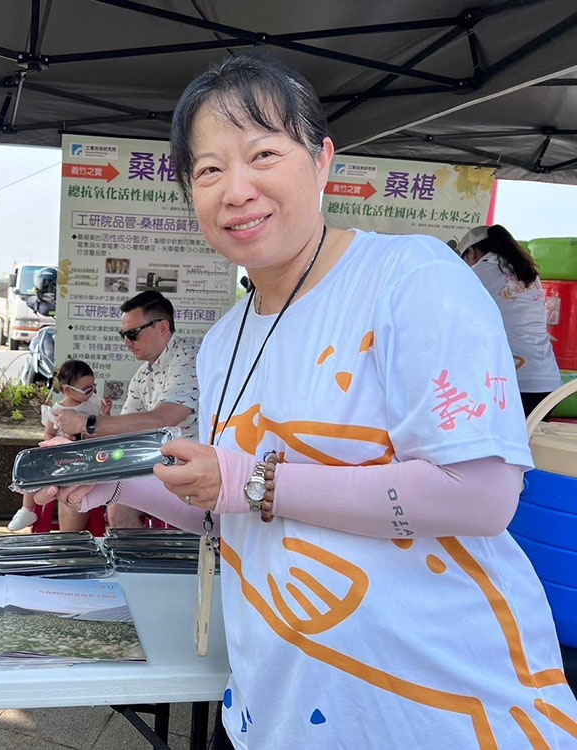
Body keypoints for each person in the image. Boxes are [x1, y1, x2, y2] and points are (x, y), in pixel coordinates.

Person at [33, 54, 577, 749]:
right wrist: (114, 475)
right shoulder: (225, 339)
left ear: (322, 160)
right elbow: (230, 511)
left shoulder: (411, 277)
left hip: (440, 717)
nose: (237, 189)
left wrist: (254, 481)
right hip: (280, 713)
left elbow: (479, 495)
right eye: (208, 171)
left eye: (263, 153)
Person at [55, 290, 199, 528]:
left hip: (190, 467)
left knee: (118, 504)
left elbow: (164, 419)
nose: (126, 343)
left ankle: (139, 563)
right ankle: (67, 554)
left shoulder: (189, 360)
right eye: (123, 334)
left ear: (162, 327)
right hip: (153, 463)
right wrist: (77, 440)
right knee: (74, 476)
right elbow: (125, 431)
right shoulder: (143, 375)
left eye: (132, 334)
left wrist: (87, 423)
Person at [460, 224, 562, 415]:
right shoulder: (527, 273)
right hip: (548, 381)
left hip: (516, 382)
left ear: (472, 252)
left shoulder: (479, 273)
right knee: (533, 442)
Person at [7, 358, 110, 532]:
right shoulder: (56, 410)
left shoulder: (94, 403)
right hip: (61, 455)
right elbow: (48, 434)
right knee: (32, 466)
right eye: (86, 389)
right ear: (68, 390)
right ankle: (27, 508)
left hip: (88, 457)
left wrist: (105, 414)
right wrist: (55, 444)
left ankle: (102, 507)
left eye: (93, 387)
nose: (91, 392)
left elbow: (104, 429)